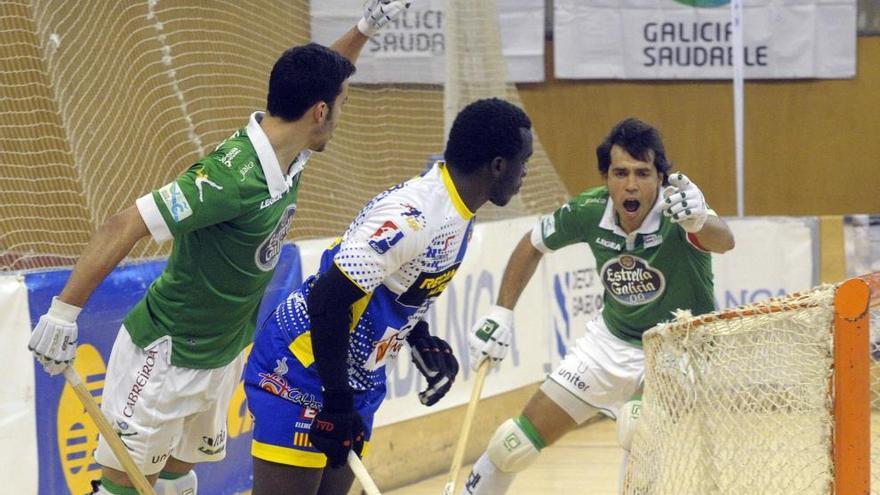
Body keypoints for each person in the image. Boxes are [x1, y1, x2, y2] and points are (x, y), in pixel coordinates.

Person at [26, 2, 412, 494]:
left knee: (177, 480)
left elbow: (325, 78)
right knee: (125, 485)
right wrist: (63, 314)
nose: (340, 111)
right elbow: (123, 224)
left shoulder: (289, 154)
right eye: (340, 103)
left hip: (223, 351)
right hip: (167, 354)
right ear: (320, 113)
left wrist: (364, 28)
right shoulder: (231, 178)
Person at [243, 98, 533, 495]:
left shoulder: (458, 209)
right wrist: (338, 400)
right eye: (524, 162)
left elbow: (393, 286)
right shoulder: (415, 215)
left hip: (355, 377)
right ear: (498, 165)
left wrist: (419, 337)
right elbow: (328, 298)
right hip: (301, 366)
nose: (526, 174)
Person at [461, 117, 736, 494]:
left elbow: (724, 241)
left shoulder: (683, 212)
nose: (632, 184)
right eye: (620, 172)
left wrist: (701, 220)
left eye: (643, 173)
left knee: (637, 428)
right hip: (609, 343)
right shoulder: (590, 210)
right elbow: (531, 244)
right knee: (512, 446)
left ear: (660, 178)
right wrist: (502, 311)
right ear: (606, 178)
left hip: (678, 345)